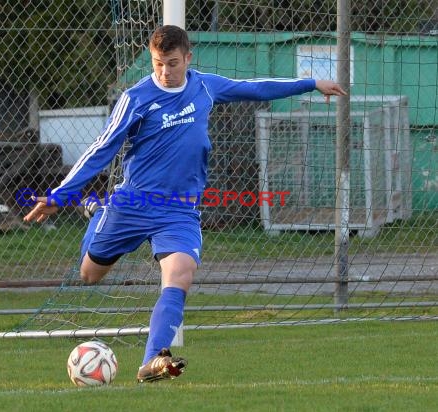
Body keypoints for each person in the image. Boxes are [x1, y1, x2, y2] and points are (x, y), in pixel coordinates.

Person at [24, 25, 346, 383]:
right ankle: (99, 211)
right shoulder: (136, 98)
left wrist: (311, 83)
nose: (165, 72)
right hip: (132, 203)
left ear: (188, 59)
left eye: (172, 63)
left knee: (180, 274)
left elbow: (253, 88)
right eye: (158, 63)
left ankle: (152, 362)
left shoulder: (204, 85)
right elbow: (102, 149)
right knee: (90, 275)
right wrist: (59, 196)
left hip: (179, 210)